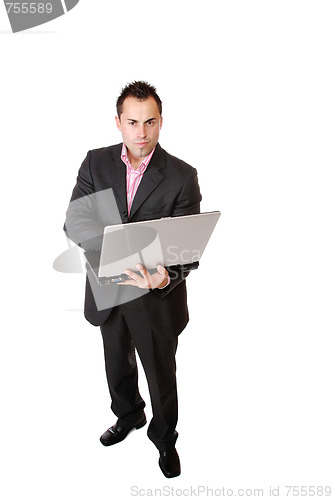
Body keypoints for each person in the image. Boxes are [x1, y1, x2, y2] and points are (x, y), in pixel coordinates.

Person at [64, 81, 201, 478]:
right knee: (116, 366)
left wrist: (164, 279)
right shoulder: (96, 163)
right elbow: (76, 220)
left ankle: (164, 439)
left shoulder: (181, 176)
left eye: (150, 122)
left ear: (161, 123)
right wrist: (112, 255)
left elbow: (187, 249)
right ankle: (128, 416)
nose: (141, 132)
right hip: (108, 287)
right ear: (119, 123)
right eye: (133, 122)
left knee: (160, 375)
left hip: (155, 296)